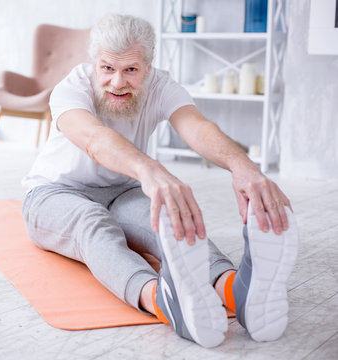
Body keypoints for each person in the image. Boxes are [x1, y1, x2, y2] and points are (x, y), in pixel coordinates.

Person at [21, 14, 298, 348]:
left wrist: (242, 165)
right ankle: (164, 301)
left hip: (122, 189)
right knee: (91, 222)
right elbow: (94, 139)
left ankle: (235, 291)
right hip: (53, 192)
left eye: (131, 70)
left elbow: (196, 126)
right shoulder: (71, 88)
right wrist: (151, 170)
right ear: (94, 64)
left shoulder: (161, 85)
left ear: (148, 67)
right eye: (108, 68)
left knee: (168, 220)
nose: (118, 82)